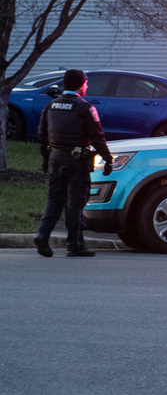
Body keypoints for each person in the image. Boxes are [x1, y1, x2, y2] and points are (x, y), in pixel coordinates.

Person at [33, 69, 114, 258]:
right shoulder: (85, 108)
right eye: (85, 83)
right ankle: (75, 245)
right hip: (77, 162)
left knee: (54, 200)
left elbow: (41, 137)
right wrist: (108, 159)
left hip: (55, 159)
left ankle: (42, 235)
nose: (86, 86)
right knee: (75, 203)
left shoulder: (51, 106)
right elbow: (97, 137)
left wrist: (46, 160)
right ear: (79, 85)